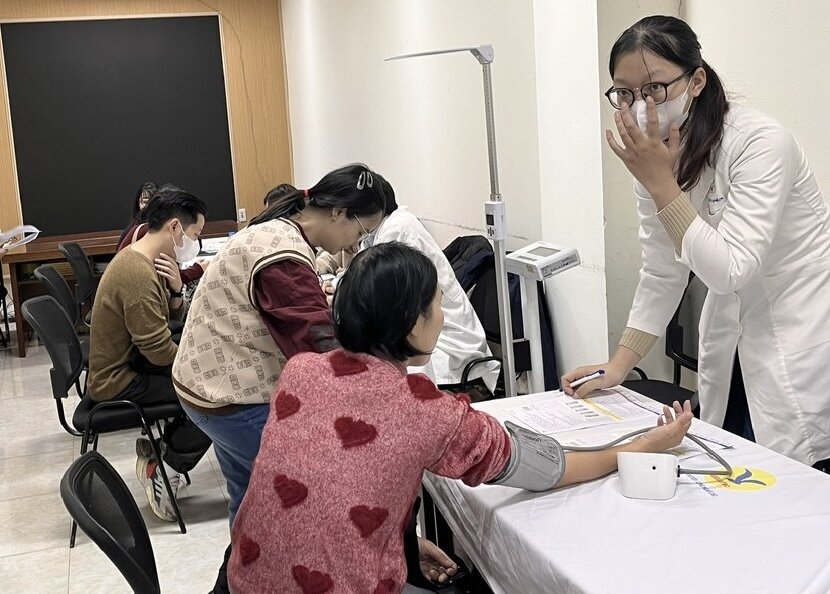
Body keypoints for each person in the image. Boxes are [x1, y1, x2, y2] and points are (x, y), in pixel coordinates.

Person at [227, 242, 692, 593]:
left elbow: (335, 486)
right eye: (438, 306)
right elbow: (548, 469)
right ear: (413, 323)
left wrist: (399, 545)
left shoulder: (301, 372)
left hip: (243, 580)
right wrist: (638, 447)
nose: (444, 318)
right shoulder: (426, 411)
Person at [562, 15, 830, 469]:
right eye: (624, 93)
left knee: (786, 483)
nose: (640, 106)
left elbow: (731, 270)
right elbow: (663, 269)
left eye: (654, 88)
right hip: (731, 339)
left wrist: (661, 183)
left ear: (697, 80)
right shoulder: (659, 156)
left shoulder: (760, 144)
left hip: (795, 335)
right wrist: (620, 364)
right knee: (736, 470)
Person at [87, 189, 212, 521]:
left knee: (207, 376)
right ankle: (165, 468)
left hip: (132, 365)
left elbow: (165, 327)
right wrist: (203, 366)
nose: (195, 243)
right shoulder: (136, 273)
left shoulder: (146, 261)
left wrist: (174, 291)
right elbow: (158, 353)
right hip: (119, 382)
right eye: (195, 234)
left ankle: (161, 453)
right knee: (214, 397)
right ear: (174, 228)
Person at [360, 174, 499, 396]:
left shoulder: (398, 231)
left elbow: (393, 307)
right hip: (421, 331)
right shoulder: (383, 229)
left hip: (446, 344)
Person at [118, 182, 208, 287]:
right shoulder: (150, 238)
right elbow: (167, 275)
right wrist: (197, 270)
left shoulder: (142, 231)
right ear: (174, 226)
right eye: (195, 235)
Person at [117, 181, 156, 248]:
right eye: (145, 202)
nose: (148, 206)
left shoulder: (162, 228)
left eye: (152, 202)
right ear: (138, 204)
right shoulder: (135, 228)